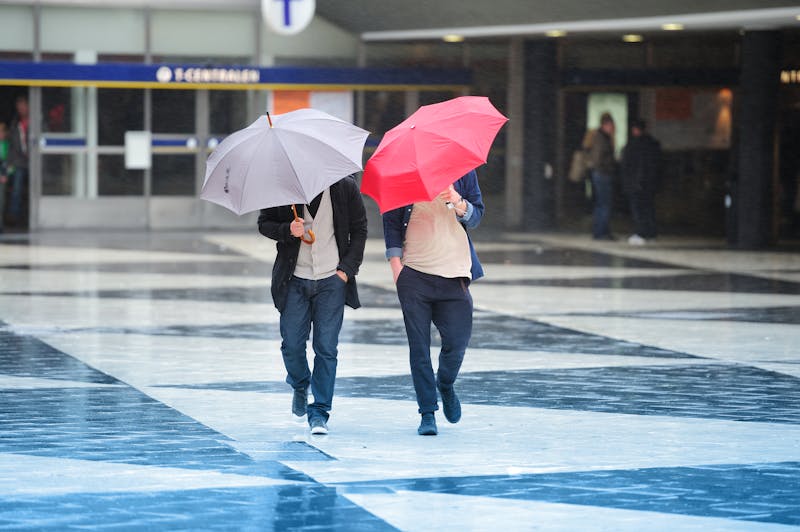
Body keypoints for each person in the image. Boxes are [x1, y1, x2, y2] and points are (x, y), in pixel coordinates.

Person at [257, 175, 367, 435]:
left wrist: (346, 271)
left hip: (332, 280)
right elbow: (264, 224)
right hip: (294, 279)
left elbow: (359, 229)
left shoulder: (345, 187)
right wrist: (287, 231)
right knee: (292, 345)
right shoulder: (283, 186)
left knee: (326, 348)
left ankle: (319, 411)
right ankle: (299, 383)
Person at [382, 169, 484, 436]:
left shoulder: (464, 172)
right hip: (415, 274)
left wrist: (457, 201)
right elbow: (391, 221)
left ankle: (446, 384)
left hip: (455, 272)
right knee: (419, 347)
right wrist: (396, 266)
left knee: (457, 342)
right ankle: (427, 412)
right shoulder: (403, 173)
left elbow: (477, 216)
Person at [621, 118, 662, 245]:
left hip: (636, 183)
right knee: (649, 208)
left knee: (638, 209)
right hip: (650, 183)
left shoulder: (633, 145)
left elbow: (629, 165)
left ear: (635, 130)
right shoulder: (653, 144)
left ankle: (640, 232)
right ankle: (651, 232)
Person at [587, 112, 616, 240]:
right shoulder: (601, 138)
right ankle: (601, 232)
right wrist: (606, 167)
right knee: (604, 204)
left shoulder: (600, 137)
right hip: (602, 173)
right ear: (605, 125)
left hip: (600, 173)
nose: (613, 128)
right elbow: (598, 157)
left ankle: (601, 231)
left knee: (601, 203)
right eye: (611, 125)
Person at [7, 95, 30, 227]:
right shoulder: (15, 122)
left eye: (23, 105)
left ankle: (30, 216)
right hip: (19, 161)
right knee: (16, 188)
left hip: (35, 162)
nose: (21, 109)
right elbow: (11, 145)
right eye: (18, 106)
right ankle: (13, 217)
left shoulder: (37, 120)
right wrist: (9, 164)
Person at [0, 122, 9, 232]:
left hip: (4, 174)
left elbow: (10, 162)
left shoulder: (8, 145)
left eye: (2, 132)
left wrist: (5, 175)